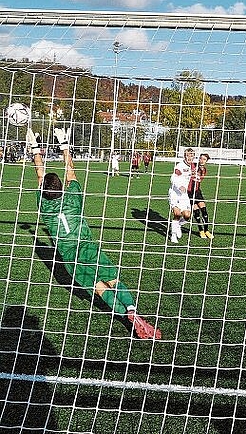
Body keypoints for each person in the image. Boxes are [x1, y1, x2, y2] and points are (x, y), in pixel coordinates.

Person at [27, 127, 161, 339]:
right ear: (62, 186)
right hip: (88, 246)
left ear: (43, 191)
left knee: (99, 288)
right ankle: (132, 309)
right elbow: (70, 170)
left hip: (70, 255)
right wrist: (64, 146)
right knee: (113, 280)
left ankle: (124, 315)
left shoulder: (43, 205)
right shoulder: (72, 196)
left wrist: (35, 149)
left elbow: (39, 173)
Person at [169, 148, 195, 244]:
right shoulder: (180, 166)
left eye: (191, 156)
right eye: (188, 155)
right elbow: (173, 178)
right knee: (177, 214)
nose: (189, 157)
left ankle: (178, 225)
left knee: (187, 216)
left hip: (184, 195)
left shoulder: (192, 167)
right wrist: (179, 186)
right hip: (175, 193)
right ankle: (173, 235)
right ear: (185, 156)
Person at [188, 152, 213, 239]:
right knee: (197, 213)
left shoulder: (204, 170)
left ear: (206, 161)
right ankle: (201, 231)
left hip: (197, 191)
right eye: (201, 158)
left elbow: (199, 180)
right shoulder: (192, 165)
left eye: (204, 159)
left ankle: (207, 230)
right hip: (189, 192)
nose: (202, 161)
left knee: (204, 212)